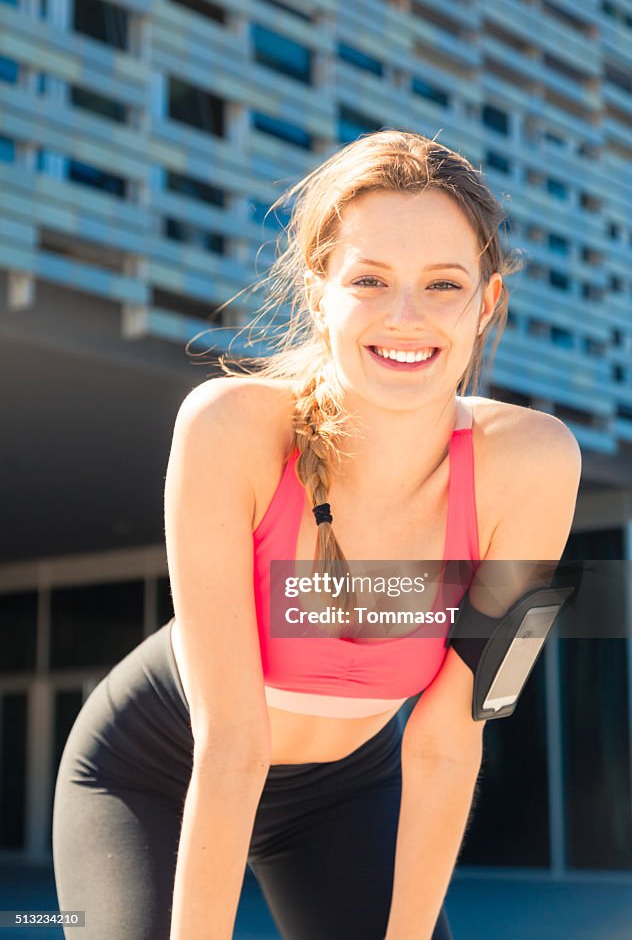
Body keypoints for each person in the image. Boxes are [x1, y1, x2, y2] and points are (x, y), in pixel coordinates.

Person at [52, 130, 582, 940]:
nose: (406, 317)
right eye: (369, 279)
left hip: (343, 786)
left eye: (444, 284)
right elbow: (230, 744)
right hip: (155, 766)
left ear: (489, 302)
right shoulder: (227, 430)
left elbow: (449, 738)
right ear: (320, 290)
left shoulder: (539, 467)